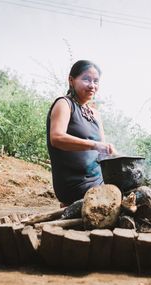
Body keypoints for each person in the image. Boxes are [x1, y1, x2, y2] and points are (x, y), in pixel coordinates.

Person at [46, 60, 116, 207]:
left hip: (98, 180)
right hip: (75, 184)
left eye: (96, 81)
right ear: (71, 80)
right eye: (86, 79)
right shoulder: (64, 104)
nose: (92, 85)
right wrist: (94, 145)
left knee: (134, 192)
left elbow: (102, 151)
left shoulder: (95, 113)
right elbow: (56, 138)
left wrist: (115, 155)